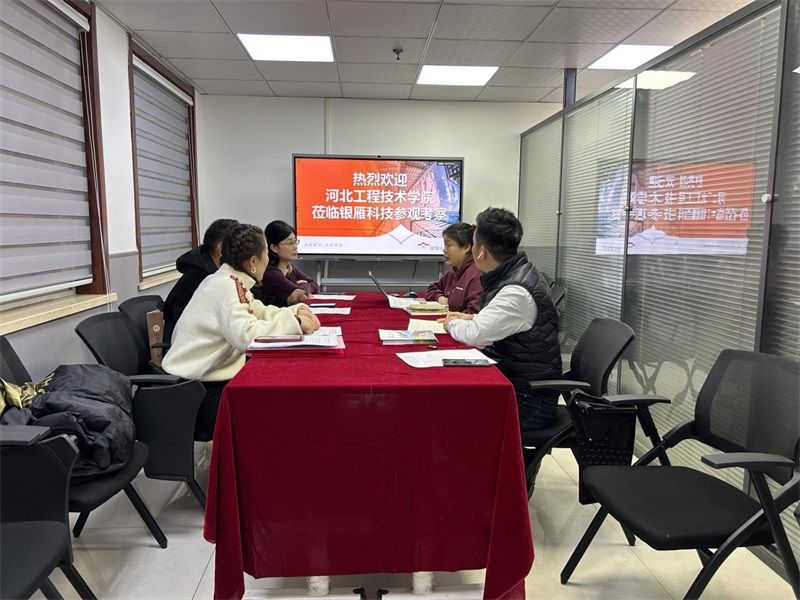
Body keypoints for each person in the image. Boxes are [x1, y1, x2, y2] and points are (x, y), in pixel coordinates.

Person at [162, 223, 320, 438]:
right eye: (266, 254)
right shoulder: (225, 286)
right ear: (254, 261)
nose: (268, 260)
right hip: (198, 392)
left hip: (209, 380)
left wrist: (295, 311)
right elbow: (246, 336)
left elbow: (259, 311)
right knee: (277, 408)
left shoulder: (230, 280)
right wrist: (296, 322)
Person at [441, 207, 562, 431]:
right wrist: (472, 317)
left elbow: (476, 335)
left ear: (481, 252)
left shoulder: (516, 290)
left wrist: (452, 324)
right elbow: (507, 321)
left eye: (473, 244)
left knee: (451, 414)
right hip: (517, 384)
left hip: (529, 402)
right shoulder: (515, 273)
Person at [162, 218, 238, 343]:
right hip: (183, 344)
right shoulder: (200, 276)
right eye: (236, 246)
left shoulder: (212, 269)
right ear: (221, 248)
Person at [254, 220, 320, 305]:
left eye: (295, 242)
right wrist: (304, 285)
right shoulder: (270, 272)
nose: (295, 247)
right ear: (274, 247)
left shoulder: (288, 267)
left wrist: (302, 286)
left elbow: (314, 284)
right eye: (290, 243)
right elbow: (301, 293)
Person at [424, 222, 482, 313]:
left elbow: (474, 312)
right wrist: (440, 297)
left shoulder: (476, 274)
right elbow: (432, 288)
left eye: (448, 245)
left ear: (466, 247)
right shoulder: (454, 271)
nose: (444, 250)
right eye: (444, 245)